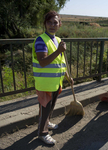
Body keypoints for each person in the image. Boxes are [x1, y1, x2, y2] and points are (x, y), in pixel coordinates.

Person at [32, 11, 73, 145]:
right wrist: (58, 51)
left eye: (55, 22)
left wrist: (67, 76)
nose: (52, 25)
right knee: (45, 108)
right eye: (49, 22)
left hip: (55, 82)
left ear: (59, 24)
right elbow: (42, 61)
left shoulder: (58, 40)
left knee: (50, 107)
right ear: (45, 24)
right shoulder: (41, 40)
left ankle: (46, 123)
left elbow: (61, 62)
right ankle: (42, 133)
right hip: (45, 83)